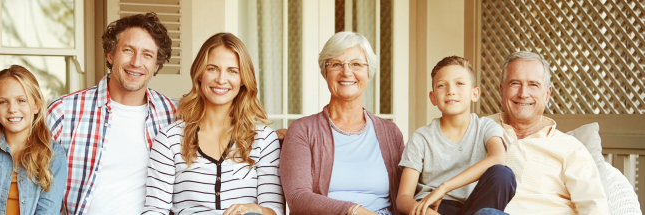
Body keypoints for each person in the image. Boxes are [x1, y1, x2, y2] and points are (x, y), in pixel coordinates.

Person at [46, 12, 178, 214]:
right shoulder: (63, 112)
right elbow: (28, 180)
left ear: (156, 65)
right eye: (128, 50)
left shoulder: (173, 114)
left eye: (147, 55)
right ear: (110, 54)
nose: (136, 62)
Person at [142, 33, 283, 215]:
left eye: (233, 71)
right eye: (212, 69)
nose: (221, 79)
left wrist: (256, 209)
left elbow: (275, 210)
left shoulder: (264, 139)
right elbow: (154, 210)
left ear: (242, 80)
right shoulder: (169, 139)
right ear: (200, 74)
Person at [279, 31, 404, 215]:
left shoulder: (391, 133)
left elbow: (405, 195)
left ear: (369, 73)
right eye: (336, 64)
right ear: (325, 72)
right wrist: (354, 211)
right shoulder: (303, 130)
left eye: (356, 64)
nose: (346, 72)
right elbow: (298, 198)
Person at [475, 51, 609, 215]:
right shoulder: (478, 129)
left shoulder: (570, 148)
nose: (523, 93)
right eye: (515, 83)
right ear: (502, 90)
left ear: (547, 94)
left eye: (533, 84)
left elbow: (595, 208)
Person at [395, 56, 516, 215]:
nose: (450, 91)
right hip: (433, 208)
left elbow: (497, 159)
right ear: (433, 98)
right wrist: (427, 212)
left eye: (459, 83)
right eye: (442, 85)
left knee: (503, 174)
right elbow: (403, 198)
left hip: (474, 208)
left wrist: (444, 187)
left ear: (475, 93)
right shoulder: (421, 138)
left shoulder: (486, 127)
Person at [0, 65, 67, 215]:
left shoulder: (53, 154)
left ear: (36, 106)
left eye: (21, 100)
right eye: (3, 102)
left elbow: (48, 211)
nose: (12, 109)